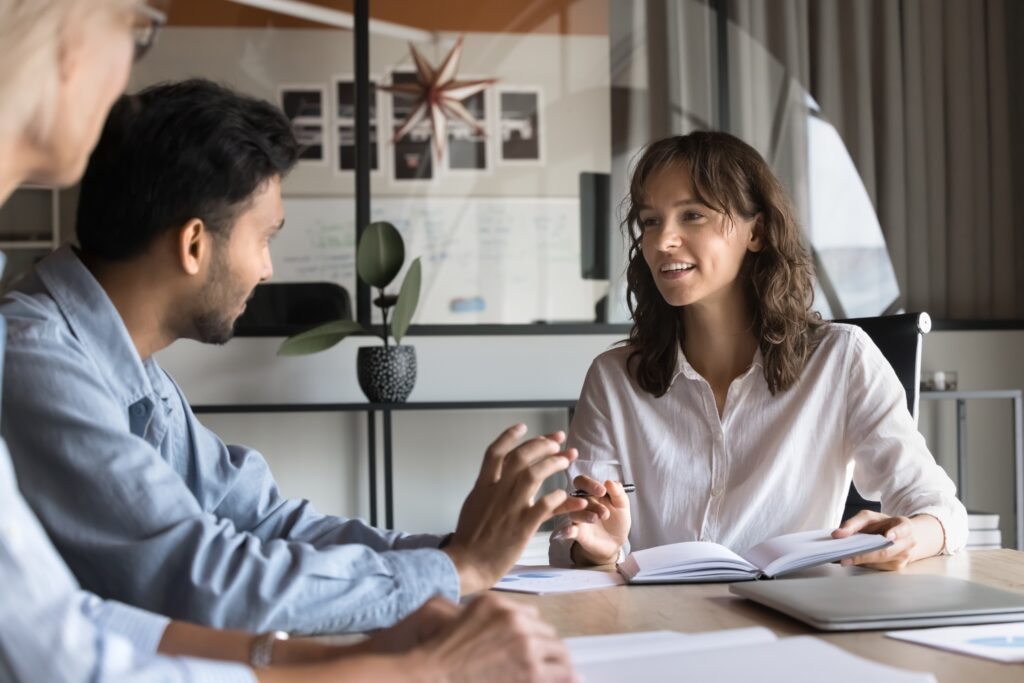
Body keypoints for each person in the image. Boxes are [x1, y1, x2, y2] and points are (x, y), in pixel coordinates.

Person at [0, 1, 577, 681]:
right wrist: (453, 569)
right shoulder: (35, 359)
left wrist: (453, 551)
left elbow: (263, 519)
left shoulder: (131, 367)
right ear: (194, 244)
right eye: (266, 237)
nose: (268, 268)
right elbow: (200, 577)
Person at [550, 131, 967, 571]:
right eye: (651, 221)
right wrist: (596, 547)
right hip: (661, 611)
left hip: (793, 608)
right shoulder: (613, 378)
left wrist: (909, 537)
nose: (662, 240)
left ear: (758, 231)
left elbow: (940, 509)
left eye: (692, 215)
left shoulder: (842, 358)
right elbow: (571, 542)